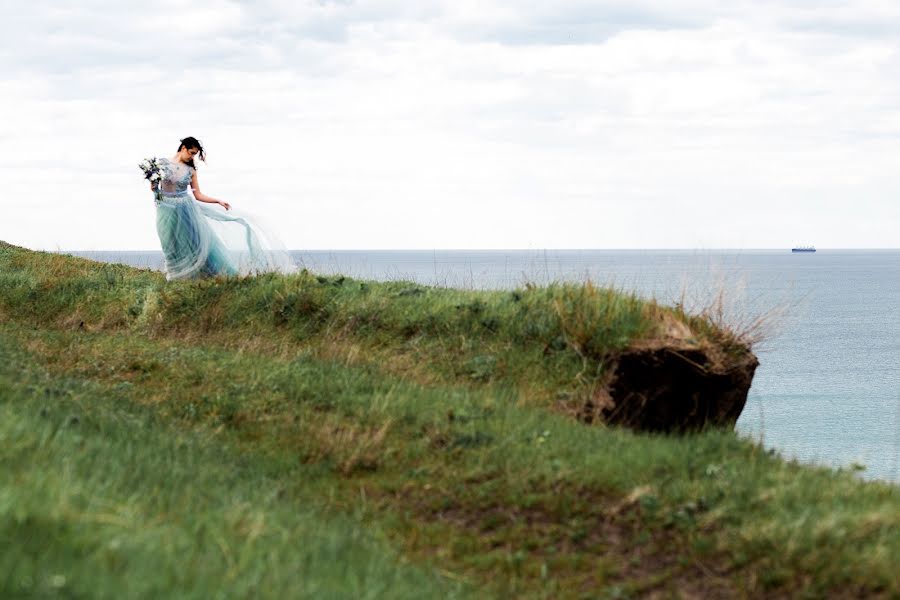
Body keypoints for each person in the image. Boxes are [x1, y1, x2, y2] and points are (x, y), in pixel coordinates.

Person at [150, 137, 296, 280]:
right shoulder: (162, 164)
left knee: (188, 242)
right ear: (183, 148)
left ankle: (180, 277)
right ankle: (176, 274)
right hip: (166, 208)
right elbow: (155, 188)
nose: (192, 157)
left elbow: (198, 195)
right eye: (191, 153)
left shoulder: (191, 170)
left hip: (185, 209)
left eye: (195, 154)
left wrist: (217, 201)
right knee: (168, 241)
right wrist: (153, 185)